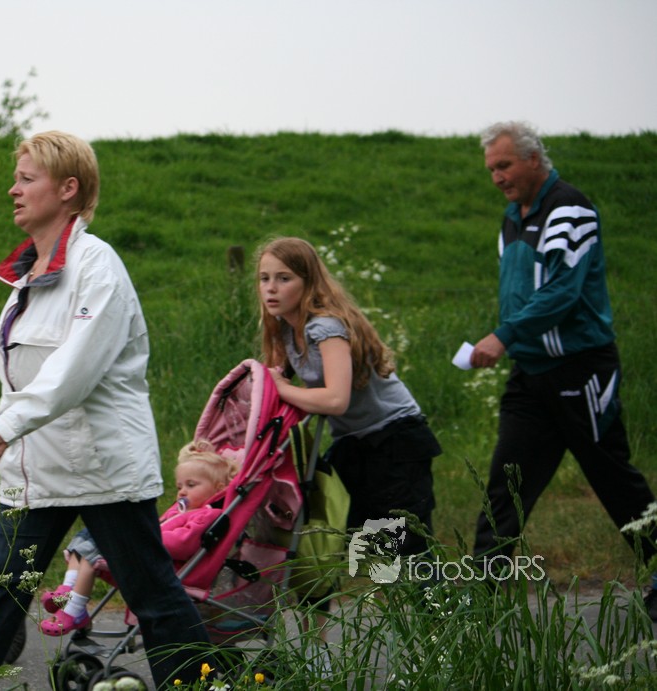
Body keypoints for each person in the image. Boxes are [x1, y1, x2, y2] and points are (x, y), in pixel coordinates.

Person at [0, 131, 213, 691]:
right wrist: (12, 440)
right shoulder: (26, 277)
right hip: (39, 472)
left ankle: (203, 686)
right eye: (16, 179)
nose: (13, 190)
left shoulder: (97, 265)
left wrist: (5, 424)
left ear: (68, 189)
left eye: (26, 179)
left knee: (154, 599)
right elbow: (24, 376)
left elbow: (75, 367)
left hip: (102, 470)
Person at [469, 122, 657, 605]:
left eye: (504, 165)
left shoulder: (569, 209)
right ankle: (480, 599)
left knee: (614, 482)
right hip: (530, 374)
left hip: (580, 370)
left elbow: (562, 293)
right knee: (506, 486)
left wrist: (504, 335)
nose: (497, 177)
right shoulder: (511, 218)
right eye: (491, 169)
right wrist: (512, 336)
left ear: (534, 159)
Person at [257, 236, 442, 566]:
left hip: (395, 439)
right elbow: (275, 385)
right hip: (354, 443)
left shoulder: (325, 328)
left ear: (308, 282)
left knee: (406, 549)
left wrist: (282, 388)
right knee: (354, 540)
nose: (271, 288)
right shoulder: (285, 329)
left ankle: (441, 601)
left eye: (284, 278)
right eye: (264, 278)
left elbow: (336, 399)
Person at [39, 439, 239, 636]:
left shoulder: (207, 515)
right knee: (94, 531)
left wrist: (142, 536)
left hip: (166, 565)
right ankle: (68, 588)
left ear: (218, 488)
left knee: (95, 552)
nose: (182, 491)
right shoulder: (179, 511)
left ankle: (75, 608)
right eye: (179, 487)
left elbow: (182, 544)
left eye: (191, 485)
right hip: (149, 552)